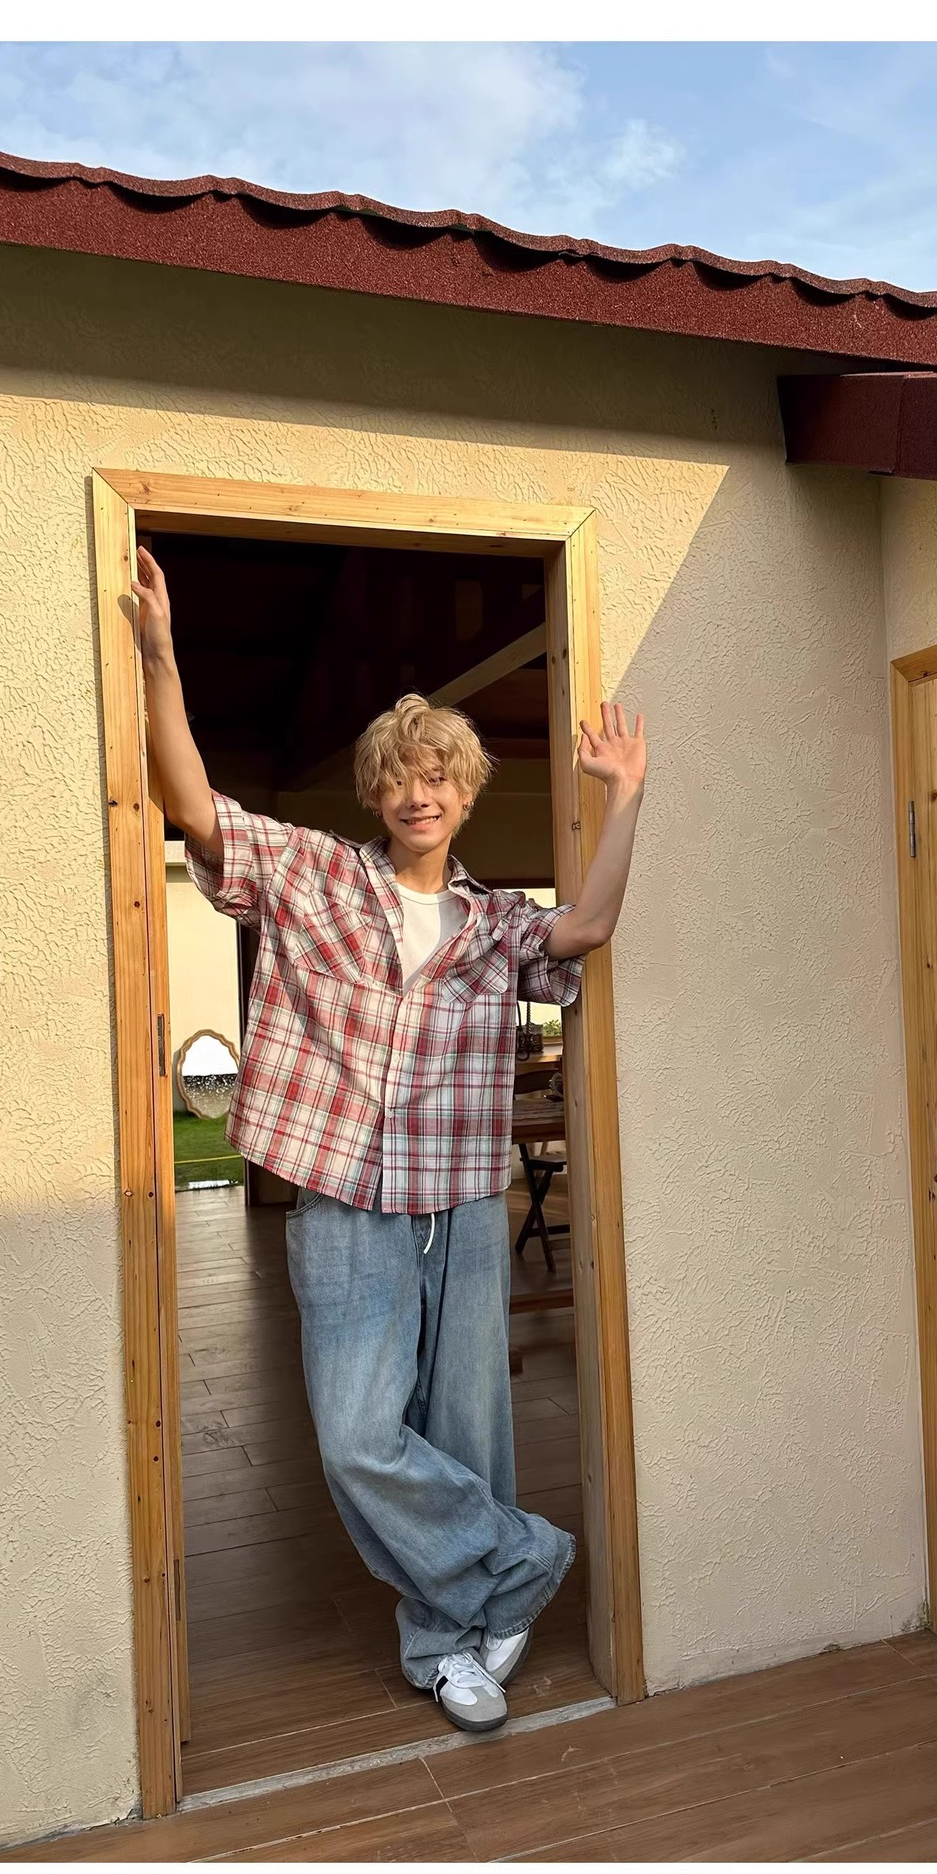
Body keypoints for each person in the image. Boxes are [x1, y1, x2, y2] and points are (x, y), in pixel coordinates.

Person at [133, 544, 646, 1733]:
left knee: (465, 1433)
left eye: (438, 776)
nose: (419, 792)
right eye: (400, 776)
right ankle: (521, 1558)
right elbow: (192, 805)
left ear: (464, 794)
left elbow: (589, 925)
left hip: (460, 1199)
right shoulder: (313, 877)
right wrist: (159, 656)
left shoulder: (492, 924)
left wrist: (627, 796)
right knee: (359, 1437)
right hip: (344, 1200)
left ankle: (450, 1646)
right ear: (375, 793)